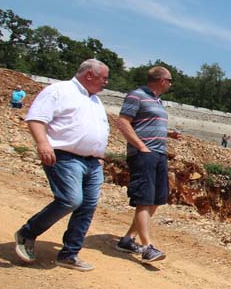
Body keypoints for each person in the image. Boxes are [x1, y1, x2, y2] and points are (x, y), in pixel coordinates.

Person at [13, 60, 110, 271]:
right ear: (89, 75)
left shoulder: (95, 100)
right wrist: (42, 143)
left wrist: (99, 155)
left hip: (92, 162)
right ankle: (27, 233)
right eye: (104, 78)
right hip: (65, 157)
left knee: (87, 207)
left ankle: (69, 254)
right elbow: (36, 118)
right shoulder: (59, 91)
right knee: (70, 200)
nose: (107, 82)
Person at [115, 66, 177, 264]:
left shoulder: (158, 100)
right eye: (170, 80)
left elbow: (145, 124)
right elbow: (123, 123)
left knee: (157, 199)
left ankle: (128, 239)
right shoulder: (137, 95)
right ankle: (147, 247)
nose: (171, 84)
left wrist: (168, 134)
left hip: (159, 153)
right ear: (162, 80)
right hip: (144, 154)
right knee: (144, 199)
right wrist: (141, 147)